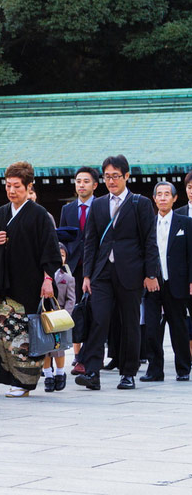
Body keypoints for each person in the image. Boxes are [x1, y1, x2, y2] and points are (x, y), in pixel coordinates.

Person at [76, 155, 159, 391]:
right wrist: (87, 275)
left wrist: (150, 273)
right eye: (107, 176)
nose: (111, 181)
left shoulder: (140, 203)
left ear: (126, 176)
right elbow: (90, 241)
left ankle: (128, 372)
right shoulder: (99, 204)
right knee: (99, 318)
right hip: (102, 272)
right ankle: (92, 370)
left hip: (131, 272)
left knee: (129, 323)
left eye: (116, 176)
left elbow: (149, 241)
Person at [0, 162, 61, 398]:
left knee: (25, 334)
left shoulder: (39, 215)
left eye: (17, 186)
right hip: (4, 283)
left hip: (30, 283)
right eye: (8, 185)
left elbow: (50, 250)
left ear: (29, 187)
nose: (11, 191)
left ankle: (25, 382)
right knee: (4, 332)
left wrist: (48, 279)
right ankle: (12, 378)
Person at [141, 182, 192, 382]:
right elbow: (142, 253)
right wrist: (147, 276)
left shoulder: (185, 223)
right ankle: (155, 370)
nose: (163, 198)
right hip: (153, 282)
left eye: (166, 194)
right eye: (159, 194)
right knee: (152, 328)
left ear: (174, 198)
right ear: (154, 199)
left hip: (177, 282)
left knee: (179, 327)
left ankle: (183, 368)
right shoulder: (148, 224)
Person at [59, 167, 99, 374]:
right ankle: (77, 355)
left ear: (95, 185)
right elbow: (62, 239)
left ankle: (88, 355)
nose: (81, 184)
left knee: (93, 311)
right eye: (78, 181)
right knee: (74, 310)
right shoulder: (67, 210)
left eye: (86, 181)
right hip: (73, 267)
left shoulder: (101, 206)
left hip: (96, 266)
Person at [43, 243, 76, 391]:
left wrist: (66, 314)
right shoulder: (42, 276)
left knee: (59, 348)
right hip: (45, 315)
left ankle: (60, 373)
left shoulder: (67, 278)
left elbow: (71, 298)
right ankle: (48, 375)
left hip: (59, 317)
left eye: (62, 255)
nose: (59, 257)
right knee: (45, 348)